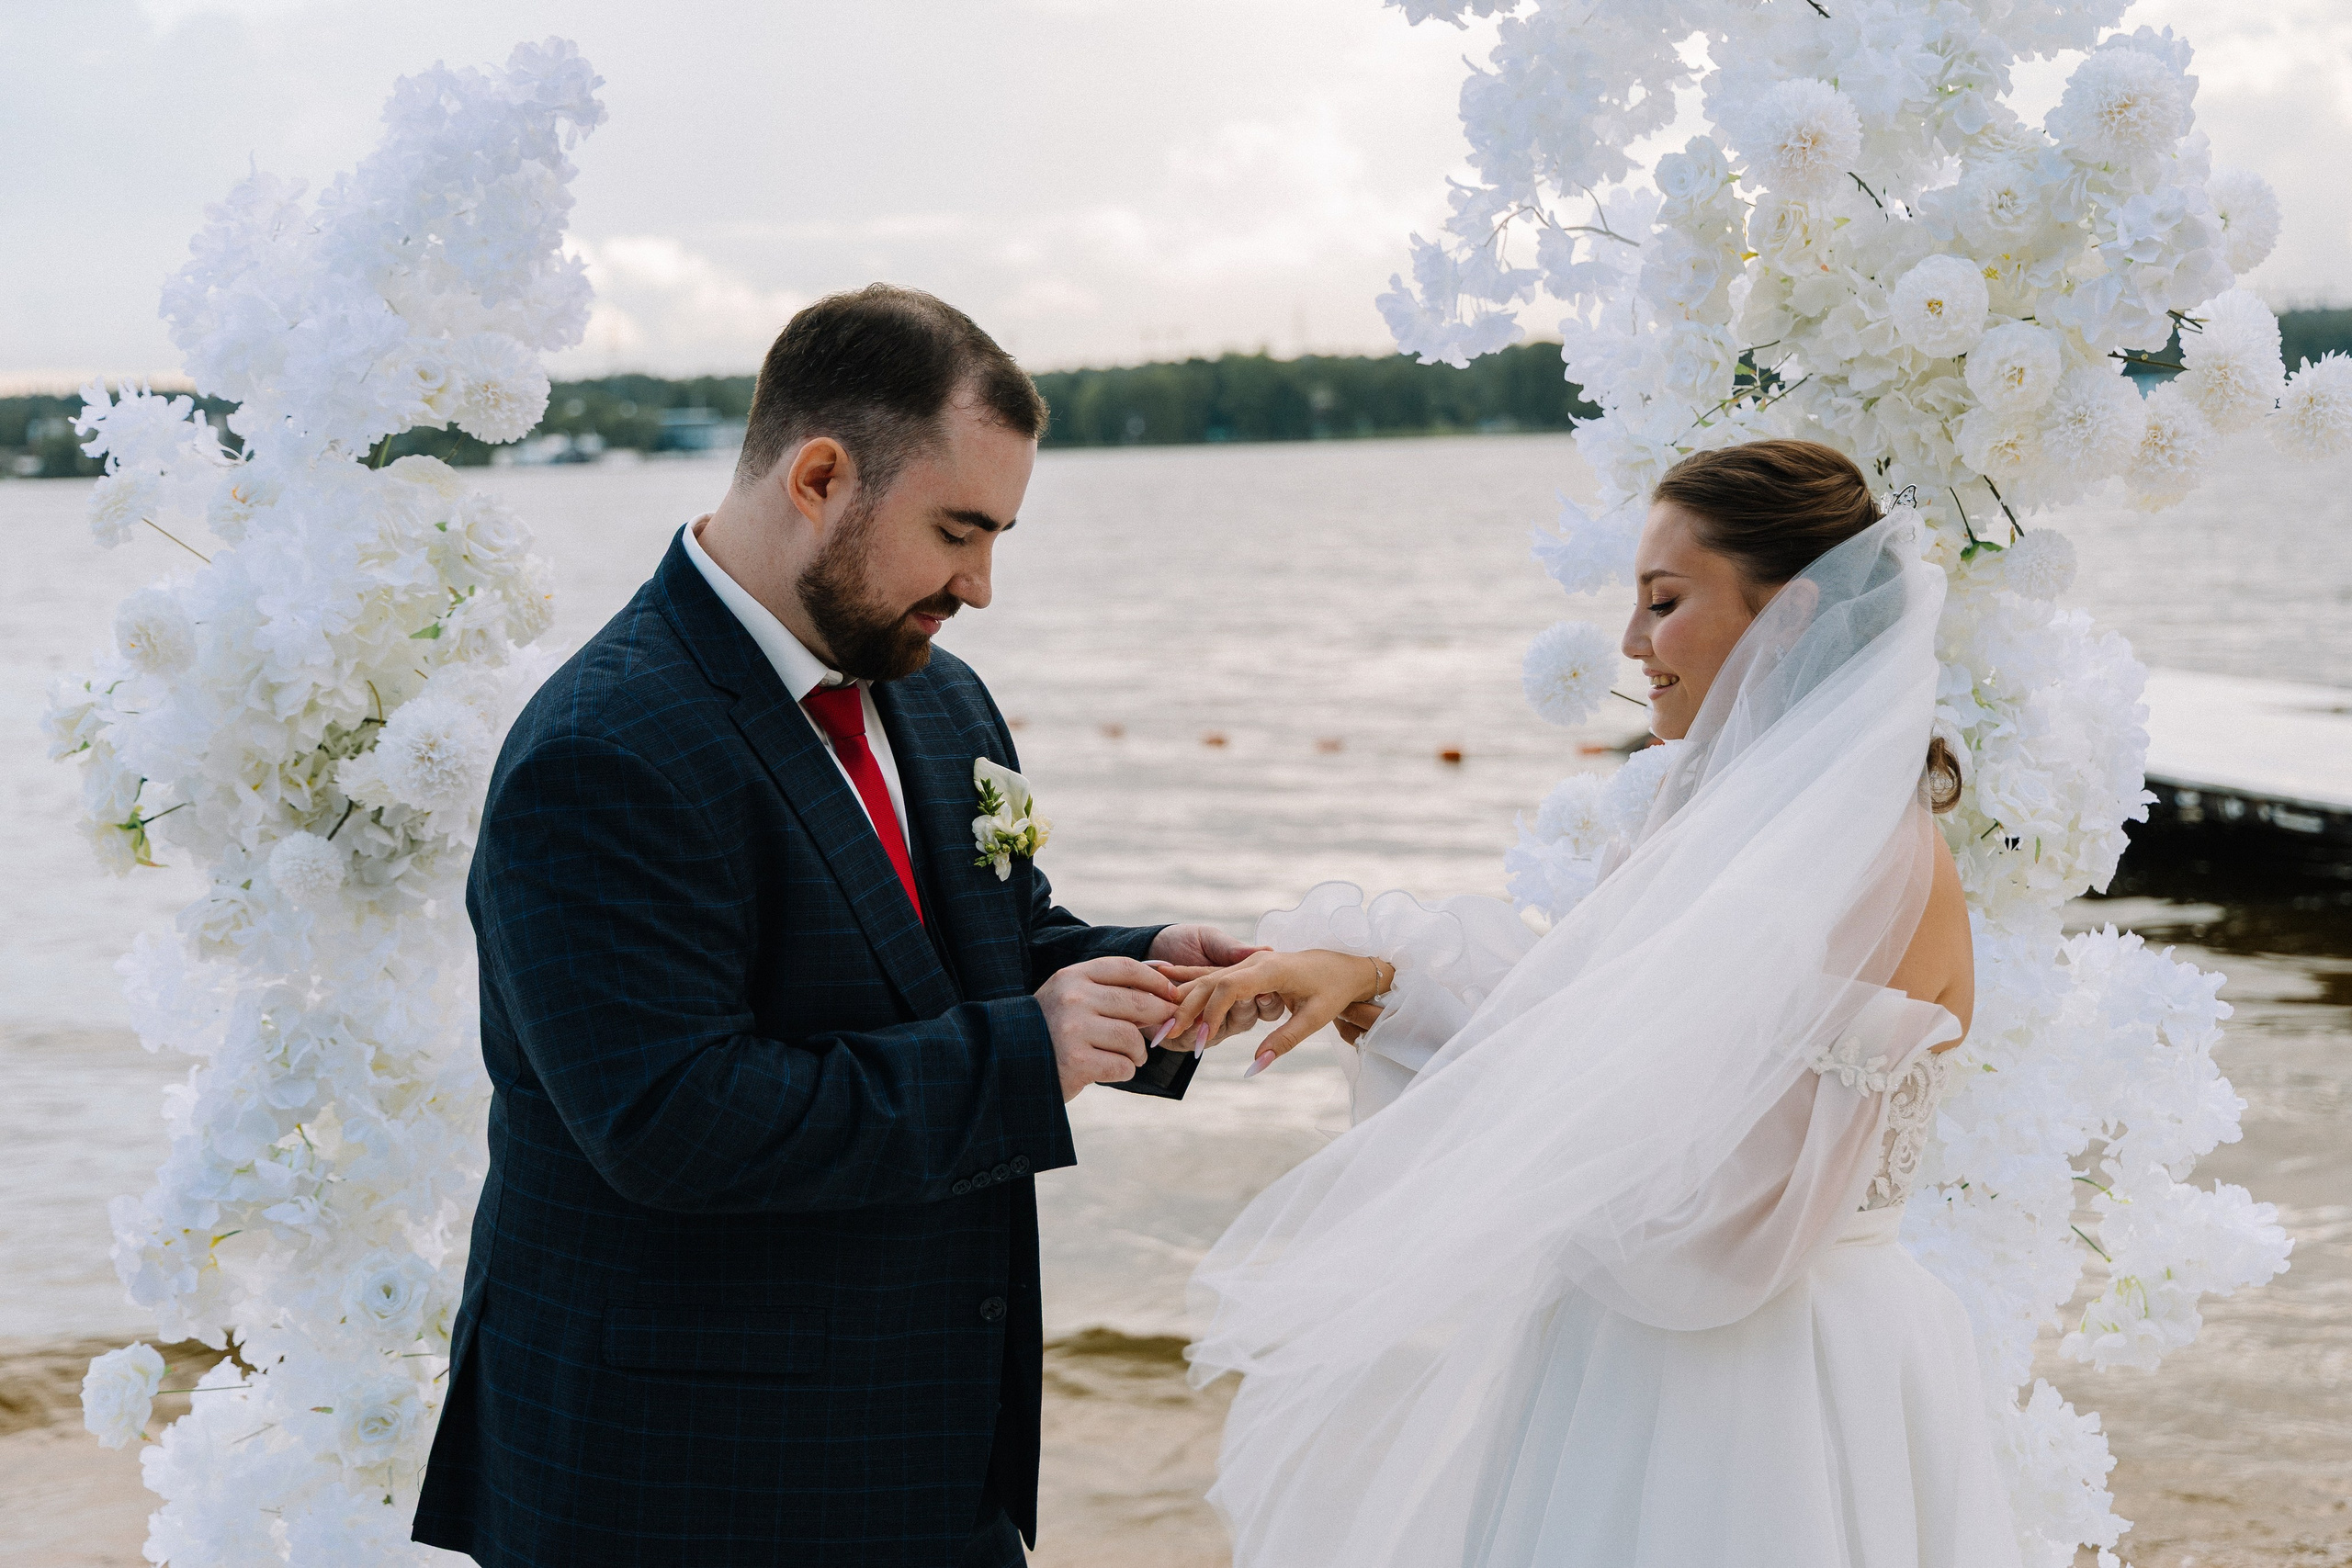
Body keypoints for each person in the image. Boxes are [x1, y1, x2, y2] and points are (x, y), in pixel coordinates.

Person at [413, 285, 1272, 1568]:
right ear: (819, 475)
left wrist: (1146, 978)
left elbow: (978, 941)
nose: (980, 583)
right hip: (671, 1479)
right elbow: (672, 1118)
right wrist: (1021, 1054)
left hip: (924, 1451)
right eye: (957, 530)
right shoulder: (603, 750)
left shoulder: (939, 696)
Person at [1167, 440, 2018, 1567]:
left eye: (1662, 603)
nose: (1629, 645)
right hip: (1637, 1344)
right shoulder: (1698, 813)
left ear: (1793, 615)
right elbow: (1582, 1039)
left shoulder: (1869, 859)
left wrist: (1498, 1151)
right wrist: (1373, 977)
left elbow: (1724, 1213)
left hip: (1768, 1387)